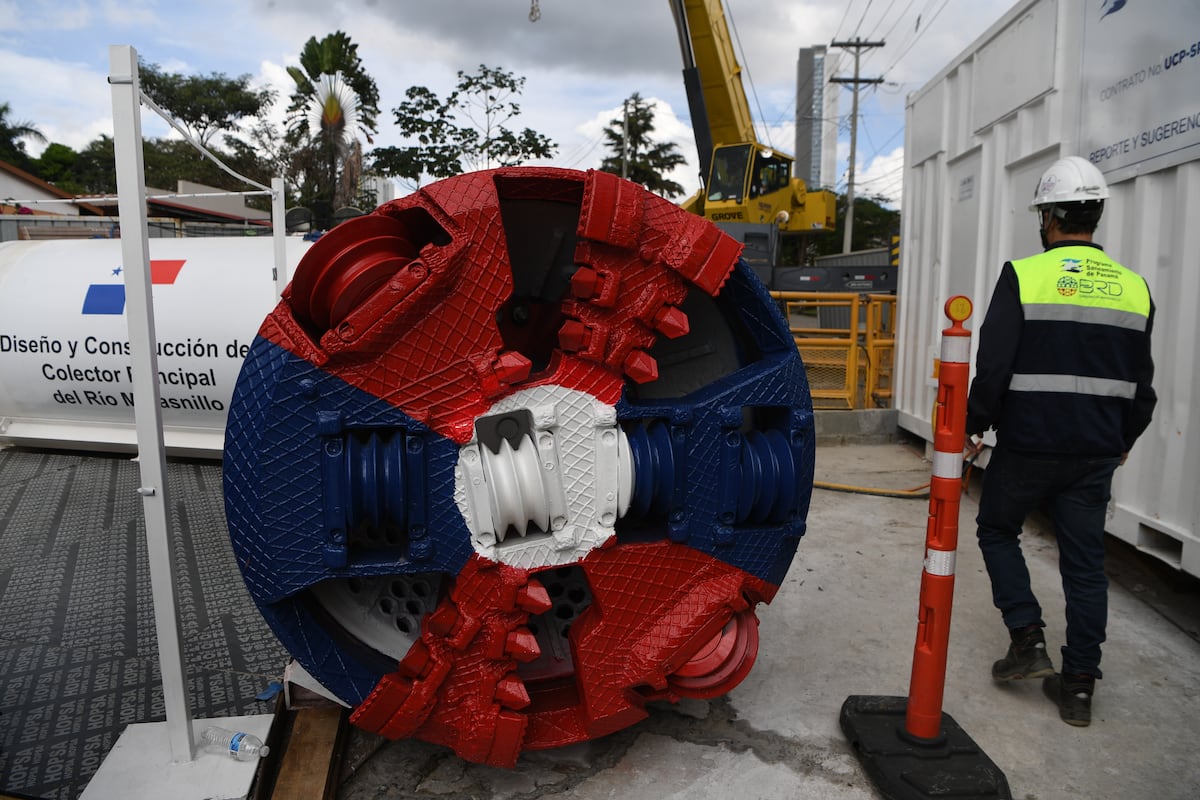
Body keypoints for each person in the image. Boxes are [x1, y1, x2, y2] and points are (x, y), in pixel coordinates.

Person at [964, 155, 1156, 727]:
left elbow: (994, 365)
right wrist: (1123, 438)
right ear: (1095, 214)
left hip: (1027, 445)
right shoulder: (1134, 288)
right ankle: (1078, 689)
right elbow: (1141, 384)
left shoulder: (1024, 275)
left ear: (1047, 217)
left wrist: (975, 424)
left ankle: (1027, 640)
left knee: (998, 529)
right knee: (1085, 564)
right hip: (1095, 451)